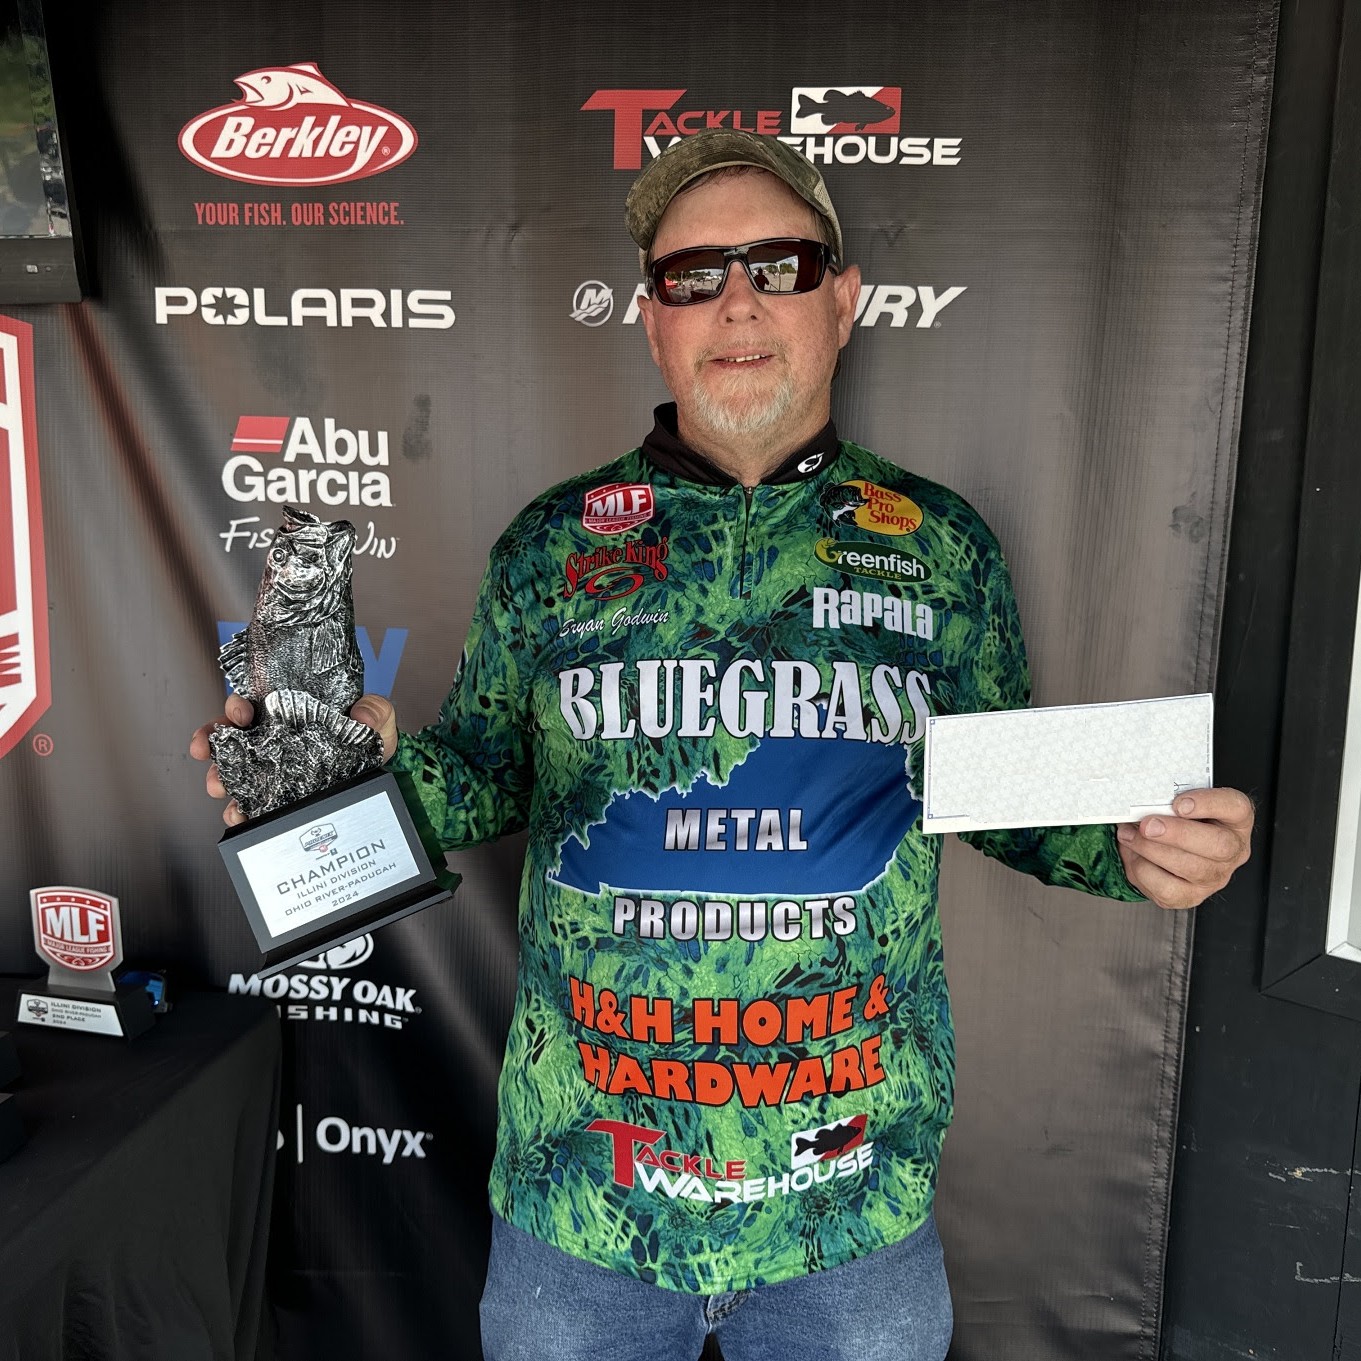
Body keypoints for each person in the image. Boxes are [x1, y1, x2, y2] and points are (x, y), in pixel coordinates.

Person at [192, 129, 1253, 1361]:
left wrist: (1134, 844)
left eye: (777, 265)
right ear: (652, 320)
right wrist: (353, 780)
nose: (736, 302)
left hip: (847, 1214)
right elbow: (482, 769)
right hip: (582, 1202)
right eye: (692, 276)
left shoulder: (939, 544)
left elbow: (998, 788)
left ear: (841, 301)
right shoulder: (549, 543)